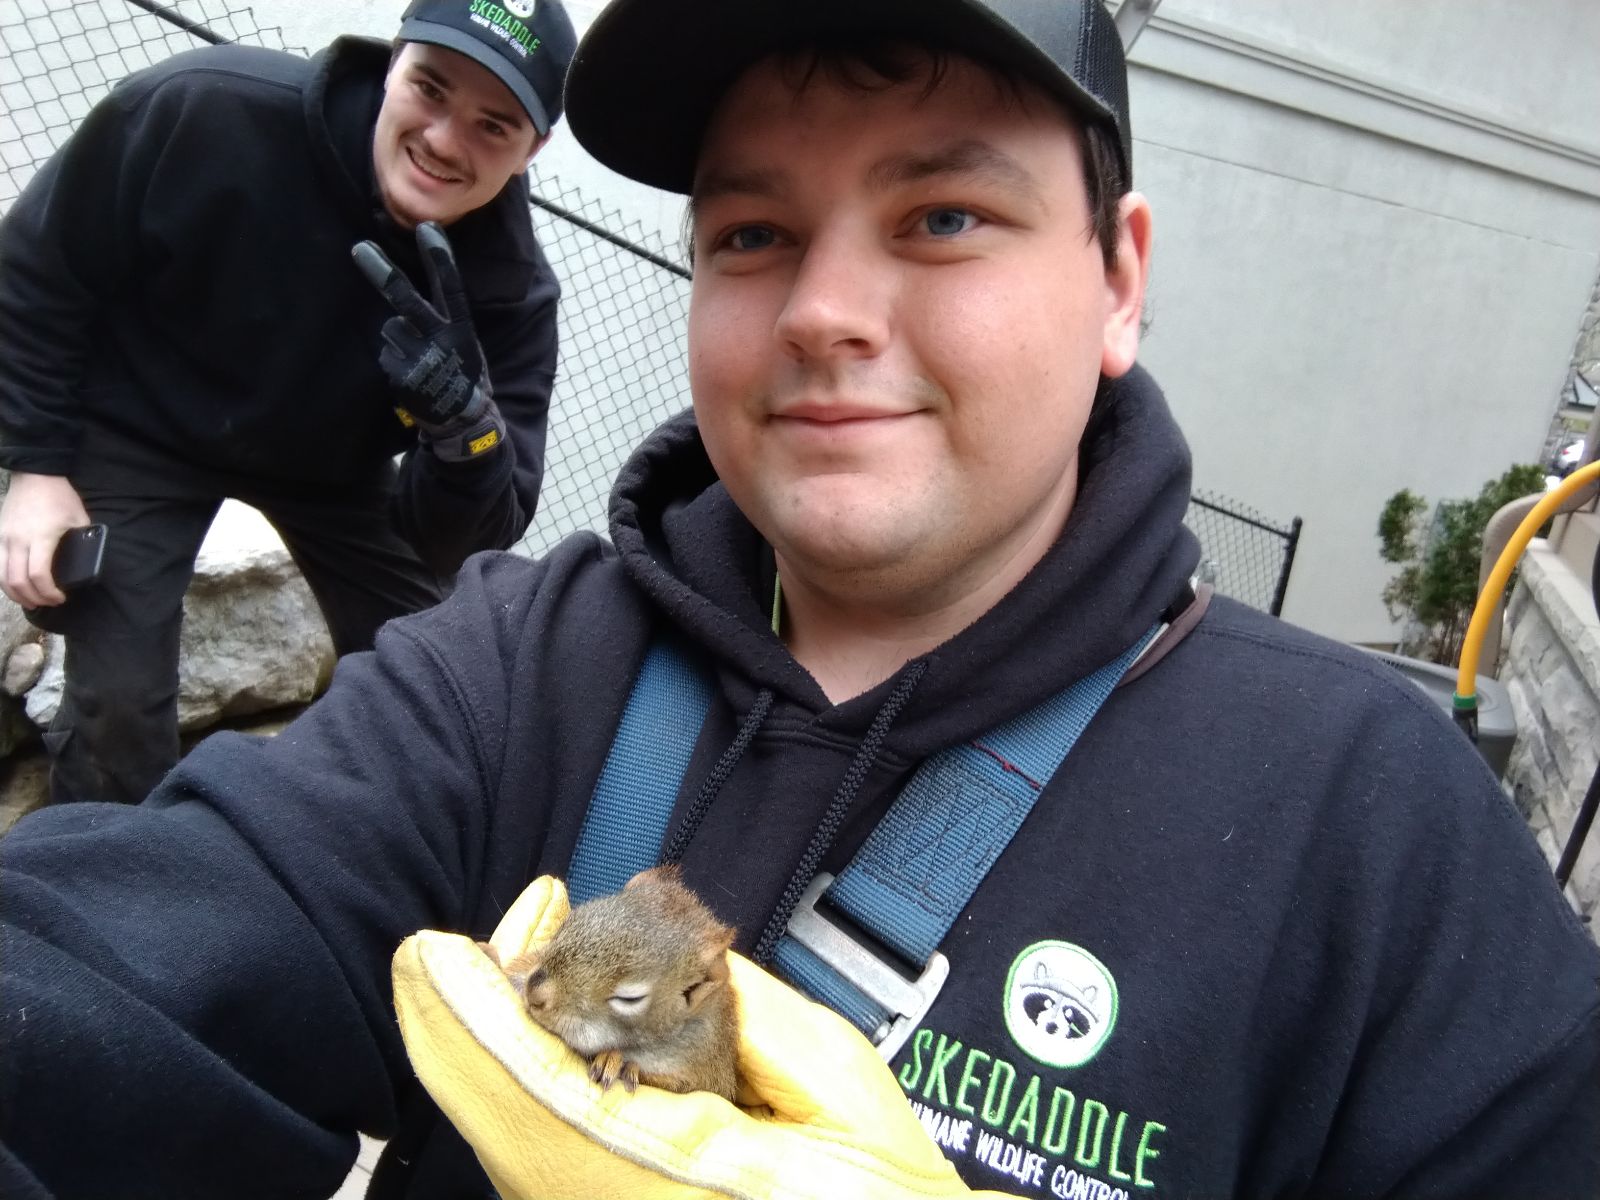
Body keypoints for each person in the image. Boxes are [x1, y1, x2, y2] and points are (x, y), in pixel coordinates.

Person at [3, 0, 1598, 1197]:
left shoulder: (1373, 829)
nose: (826, 311)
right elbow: (116, 969)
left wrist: (462, 421)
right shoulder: (518, 665)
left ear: (1119, 277)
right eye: (754, 231)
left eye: (944, 218)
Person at [0, 0, 576, 805]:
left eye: (494, 125)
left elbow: (487, 519)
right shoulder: (204, 108)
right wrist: (36, 466)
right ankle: (99, 869)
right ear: (393, 61)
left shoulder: (509, 290)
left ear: (533, 150)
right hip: (142, 426)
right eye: (431, 88)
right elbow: (37, 267)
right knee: (119, 714)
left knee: (445, 675)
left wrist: (459, 431)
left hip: (334, 472)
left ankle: (345, 843)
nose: (445, 140)